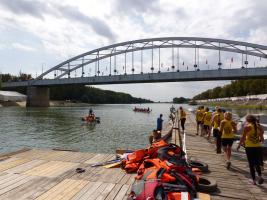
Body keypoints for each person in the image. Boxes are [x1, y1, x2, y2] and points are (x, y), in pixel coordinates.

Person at [237, 115, 264, 185]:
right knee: (256, 162)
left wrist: (239, 145)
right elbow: (262, 139)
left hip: (249, 147)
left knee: (251, 164)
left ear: (248, 121)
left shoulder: (247, 127)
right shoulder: (260, 127)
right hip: (258, 146)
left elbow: (243, 137)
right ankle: (260, 176)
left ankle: (254, 180)